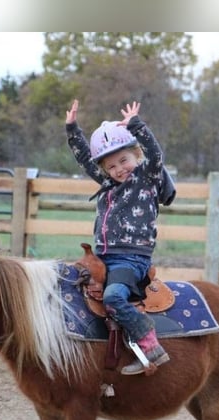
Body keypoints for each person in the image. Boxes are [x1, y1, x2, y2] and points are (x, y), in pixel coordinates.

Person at [65, 99, 176, 375]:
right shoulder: (108, 183)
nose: (119, 169)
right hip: (103, 258)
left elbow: (155, 153)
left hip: (131, 259)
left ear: (136, 156)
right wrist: (72, 129)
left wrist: (137, 125)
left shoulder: (145, 177)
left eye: (124, 160)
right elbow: (84, 159)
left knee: (114, 297)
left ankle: (149, 344)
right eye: (111, 166)